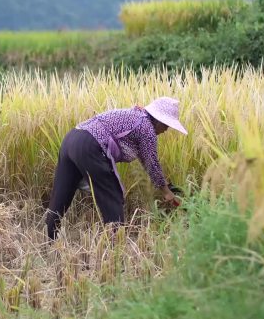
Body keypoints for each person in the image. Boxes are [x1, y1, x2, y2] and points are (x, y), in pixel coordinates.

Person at [46, 96, 188, 240]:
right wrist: (167, 192)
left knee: (61, 194)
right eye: (166, 125)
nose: (166, 130)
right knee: (112, 196)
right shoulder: (147, 128)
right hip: (91, 145)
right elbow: (152, 163)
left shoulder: (137, 117)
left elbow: (146, 161)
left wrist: (165, 186)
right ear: (158, 119)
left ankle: (49, 241)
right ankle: (115, 247)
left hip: (72, 139)